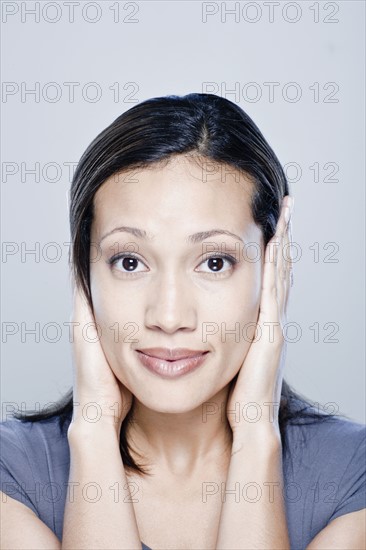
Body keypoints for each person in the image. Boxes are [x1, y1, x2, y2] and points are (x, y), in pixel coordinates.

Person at [1, 93, 365, 549]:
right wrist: (93, 430)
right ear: (83, 273)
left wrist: (256, 433)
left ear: (276, 269)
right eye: (129, 262)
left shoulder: (351, 475)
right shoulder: (13, 472)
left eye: (214, 262)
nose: (169, 317)